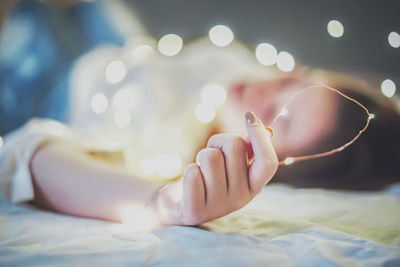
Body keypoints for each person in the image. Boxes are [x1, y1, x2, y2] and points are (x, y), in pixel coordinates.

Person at [1, 0, 399, 227]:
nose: (269, 87)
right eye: (296, 80)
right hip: (118, 44)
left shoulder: (167, 151)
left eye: (281, 113)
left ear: (265, 160)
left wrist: (159, 202)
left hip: (44, 80)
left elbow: (35, 157)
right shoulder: (241, 69)